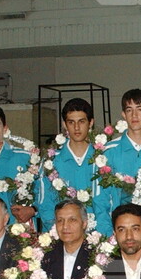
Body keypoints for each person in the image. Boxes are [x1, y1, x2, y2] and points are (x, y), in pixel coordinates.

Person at [93, 89, 141, 237]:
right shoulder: (108, 152)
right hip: (118, 234)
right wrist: (109, 235)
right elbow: (100, 200)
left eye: (139, 109)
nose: (134, 115)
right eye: (129, 110)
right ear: (123, 115)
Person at [36, 98, 97, 231]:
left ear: (91, 122)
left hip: (98, 237)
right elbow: (44, 205)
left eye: (81, 121)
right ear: (64, 124)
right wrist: (61, 232)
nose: (76, 128)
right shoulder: (50, 162)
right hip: (61, 236)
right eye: (71, 122)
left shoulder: (102, 159)